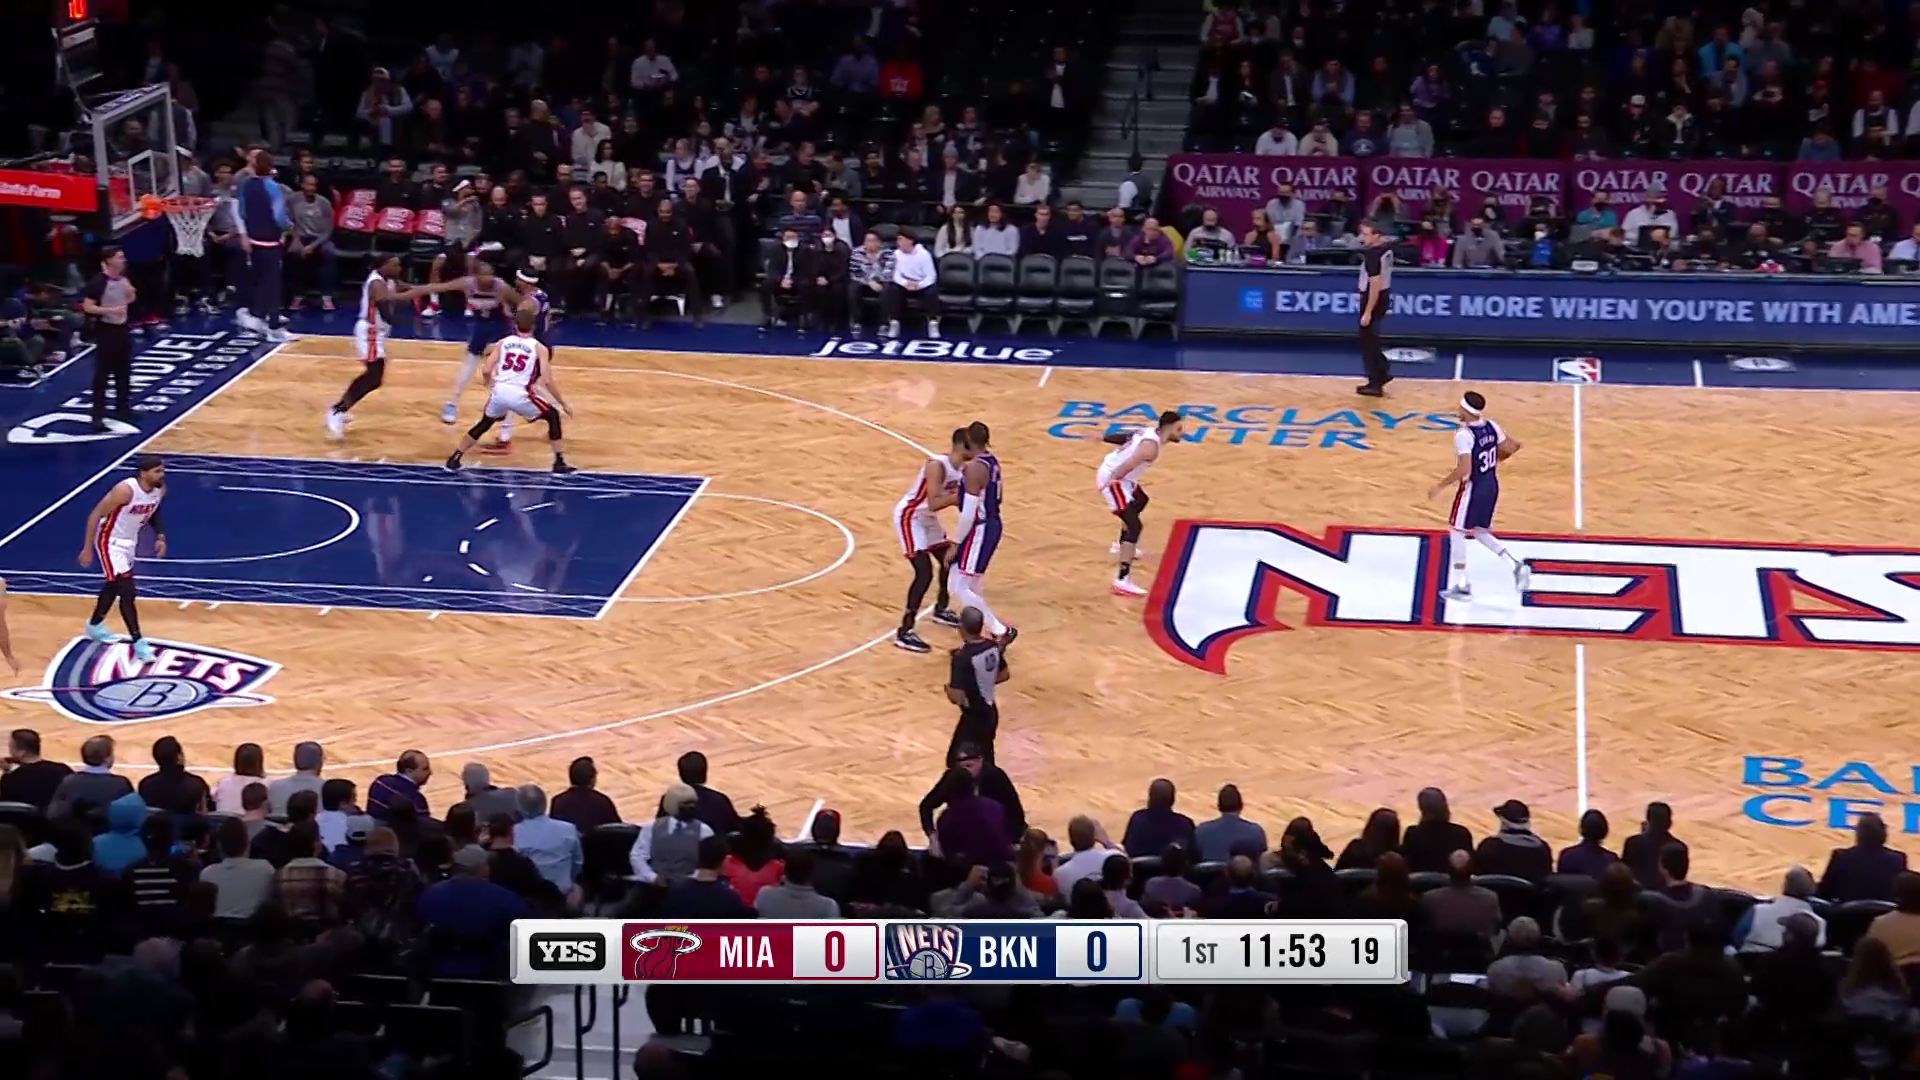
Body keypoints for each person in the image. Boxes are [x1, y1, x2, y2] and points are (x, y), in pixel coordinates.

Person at [443, 304, 576, 475]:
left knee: (484, 424)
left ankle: (454, 458)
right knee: (553, 416)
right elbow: (547, 380)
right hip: (521, 394)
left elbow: (486, 370)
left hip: (500, 392)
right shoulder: (539, 348)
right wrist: (563, 403)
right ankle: (559, 462)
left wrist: (489, 384)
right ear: (534, 326)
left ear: (514, 325)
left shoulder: (503, 342)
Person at [1427, 391, 1530, 600]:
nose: (1458, 410)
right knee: (1480, 532)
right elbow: (1513, 446)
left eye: (1460, 407)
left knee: (1457, 532)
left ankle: (1461, 585)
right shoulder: (1492, 426)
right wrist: (1492, 462)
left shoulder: (1464, 435)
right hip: (1491, 484)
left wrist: (1440, 486)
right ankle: (1515, 564)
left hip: (1472, 489)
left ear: (1466, 410)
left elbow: (1464, 469)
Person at [327, 256, 433, 439]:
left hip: (377, 333)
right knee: (374, 376)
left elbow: (408, 289)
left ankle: (340, 408)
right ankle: (337, 411)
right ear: (383, 265)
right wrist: (412, 324)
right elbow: (386, 314)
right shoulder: (376, 283)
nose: (399, 267)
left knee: (373, 377)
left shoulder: (390, 280)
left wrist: (427, 289)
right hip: (370, 332)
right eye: (395, 264)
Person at [77, 454, 167, 660]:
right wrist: (87, 548)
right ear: (143, 473)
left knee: (113, 585)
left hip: (129, 542)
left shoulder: (160, 490)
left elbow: (154, 511)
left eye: (163, 470)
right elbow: (95, 515)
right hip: (109, 541)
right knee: (128, 591)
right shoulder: (125, 490)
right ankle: (138, 641)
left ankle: (94, 624)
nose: (162, 475)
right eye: (157, 471)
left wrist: (160, 536)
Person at [893, 428, 972, 652]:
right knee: (924, 572)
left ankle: (941, 609)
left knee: (950, 560)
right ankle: (905, 631)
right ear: (962, 445)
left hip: (927, 519)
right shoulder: (937, 465)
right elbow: (934, 502)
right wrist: (961, 497)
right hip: (911, 517)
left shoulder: (964, 470)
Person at [1096, 410, 1184, 598]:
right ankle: (1122, 581)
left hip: (1123, 479)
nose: (1182, 433)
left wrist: (1103, 437)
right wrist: (1111, 480)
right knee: (1134, 526)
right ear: (1169, 428)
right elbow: (1129, 464)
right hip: (1116, 479)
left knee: (1140, 500)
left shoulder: (1150, 432)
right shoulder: (1150, 448)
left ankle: (1122, 545)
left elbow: (1126, 437)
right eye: (1179, 429)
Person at [949, 421, 1014, 646]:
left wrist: (956, 542)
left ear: (968, 440)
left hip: (980, 528)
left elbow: (968, 513)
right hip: (991, 524)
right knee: (971, 584)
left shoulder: (974, 469)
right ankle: (983, 632)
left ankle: (1000, 630)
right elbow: (999, 497)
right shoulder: (992, 462)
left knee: (959, 586)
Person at [437, 259, 524, 425]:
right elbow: (435, 287)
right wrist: (409, 289)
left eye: (490, 274)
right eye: (484, 274)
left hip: (501, 326)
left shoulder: (500, 286)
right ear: (475, 276)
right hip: (481, 328)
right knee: (469, 367)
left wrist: (519, 315)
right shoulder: (467, 283)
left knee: (506, 370)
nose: (488, 278)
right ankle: (452, 403)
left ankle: (503, 406)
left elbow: (522, 302)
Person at [236, 149, 293, 342]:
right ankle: (274, 327)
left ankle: (258, 317)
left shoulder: (246, 185)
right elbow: (279, 216)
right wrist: (288, 226)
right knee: (273, 284)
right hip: (270, 241)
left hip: (254, 240)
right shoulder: (272, 187)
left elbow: (242, 212)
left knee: (261, 281)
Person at [79, 246, 135, 433]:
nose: (123, 260)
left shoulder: (124, 278)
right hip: (106, 330)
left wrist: (131, 293)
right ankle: (97, 415)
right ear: (109, 260)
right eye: (120, 257)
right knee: (102, 374)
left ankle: (123, 408)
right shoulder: (98, 282)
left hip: (122, 328)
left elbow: (129, 299)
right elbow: (87, 307)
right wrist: (110, 311)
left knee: (124, 371)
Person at [946, 607, 1009, 765]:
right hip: (990, 713)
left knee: (956, 761)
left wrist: (948, 690)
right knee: (985, 759)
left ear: (961, 627)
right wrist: (983, 679)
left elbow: (958, 697)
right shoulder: (992, 646)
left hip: (973, 719)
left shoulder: (962, 658)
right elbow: (1004, 675)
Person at [1354, 219, 1394, 397]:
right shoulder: (1386, 249)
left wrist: (1368, 312)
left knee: (1368, 341)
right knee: (1372, 338)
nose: (1362, 238)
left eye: (1366, 234)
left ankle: (1375, 382)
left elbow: (1375, 284)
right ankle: (1382, 372)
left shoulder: (1373, 254)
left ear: (1377, 235)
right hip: (1383, 296)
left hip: (1373, 297)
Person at [882, 232, 940, 339]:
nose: (898, 242)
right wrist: (905, 283)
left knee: (932, 291)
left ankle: (933, 323)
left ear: (910, 241)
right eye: (898, 239)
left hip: (921, 285)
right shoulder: (896, 254)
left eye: (901, 239)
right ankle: (894, 323)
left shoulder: (924, 254)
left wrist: (920, 285)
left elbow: (931, 276)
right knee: (892, 289)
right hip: (905, 285)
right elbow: (895, 275)